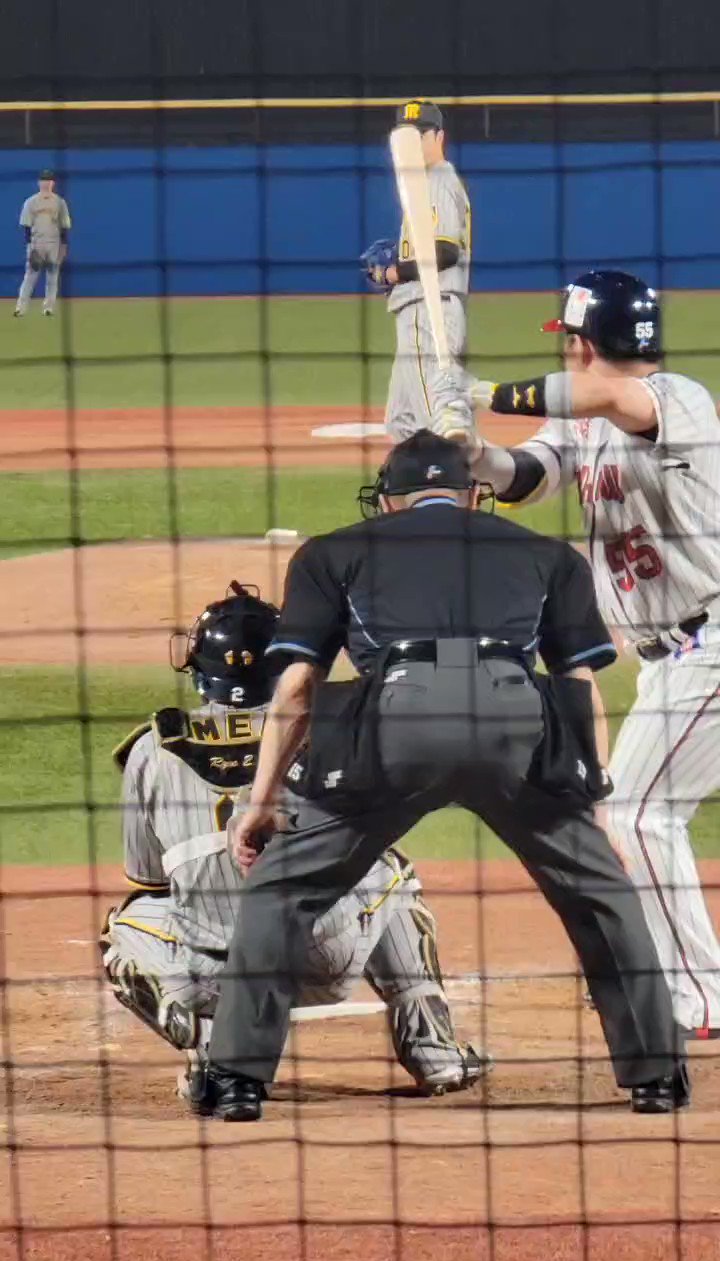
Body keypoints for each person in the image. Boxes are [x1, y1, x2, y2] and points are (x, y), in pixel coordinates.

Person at [200, 431, 687, 1123]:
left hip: (399, 722)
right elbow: (578, 687)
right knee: (600, 893)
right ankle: (658, 1077)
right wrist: (595, 806)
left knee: (280, 890)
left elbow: (299, 687)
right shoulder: (547, 555)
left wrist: (263, 801)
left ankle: (236, 1082)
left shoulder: (333, 552)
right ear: (474, 494)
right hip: (515, 724)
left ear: (389, 501)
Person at [432, 268, 720, 1040]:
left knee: (639, 813)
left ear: (585, 343)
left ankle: (700, 1000)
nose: (563, 352)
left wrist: (482, 390)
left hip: (713, 644)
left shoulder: (678, 399)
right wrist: (472, 451)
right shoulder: (582, 422)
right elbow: (526, 477)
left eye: (568, 341)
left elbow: (611, 400)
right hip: (675, 661)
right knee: (636, 811)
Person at [99, 581, 486, 1102]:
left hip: (212, 974)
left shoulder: (153, 748)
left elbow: (149, 881)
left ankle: (214, 1050)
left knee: (123, 927)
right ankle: (435, 1055)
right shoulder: (331, 725)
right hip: (327, 955)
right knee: (391, 868)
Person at [360, 100, 471, 440]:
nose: (413, 145)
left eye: (421, 136)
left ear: (439, 137)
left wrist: (391, 273)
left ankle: (458, 473)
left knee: (436, 422)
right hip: (418, 311)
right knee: (402, 422)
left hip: (429, 312)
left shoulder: (436, 179)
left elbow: (444, 252)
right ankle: (422, 476)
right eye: (406, 137)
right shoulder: (422, 183)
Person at [14, 169, 71, 318]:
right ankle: (20, 307)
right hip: (37, 242)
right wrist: (29, 246)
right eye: (44, 180)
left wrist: (64, 246)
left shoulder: (59, 202)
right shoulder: (31, 201)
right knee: (30, 276)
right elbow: (26, 225)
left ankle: (48, 308)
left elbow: (64, 225)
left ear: (53, 183)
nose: (46, 183)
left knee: (52, 276)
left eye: (49, 180)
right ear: (39, 183)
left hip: (54, 242)